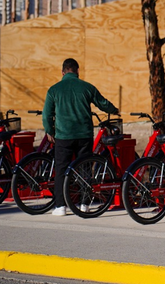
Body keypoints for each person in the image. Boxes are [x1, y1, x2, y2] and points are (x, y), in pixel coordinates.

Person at [42, 58, 119, 216]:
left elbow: (46, 115)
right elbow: (102, 103)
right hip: (84, 135)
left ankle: (60, 206)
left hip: (63, 136)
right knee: (84, 168)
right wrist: (115, 110)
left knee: (61, 169)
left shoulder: (54, 90)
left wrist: (50, 131)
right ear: (77, 71)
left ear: (63, 72)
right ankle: (84, 204)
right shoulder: (87, 87)